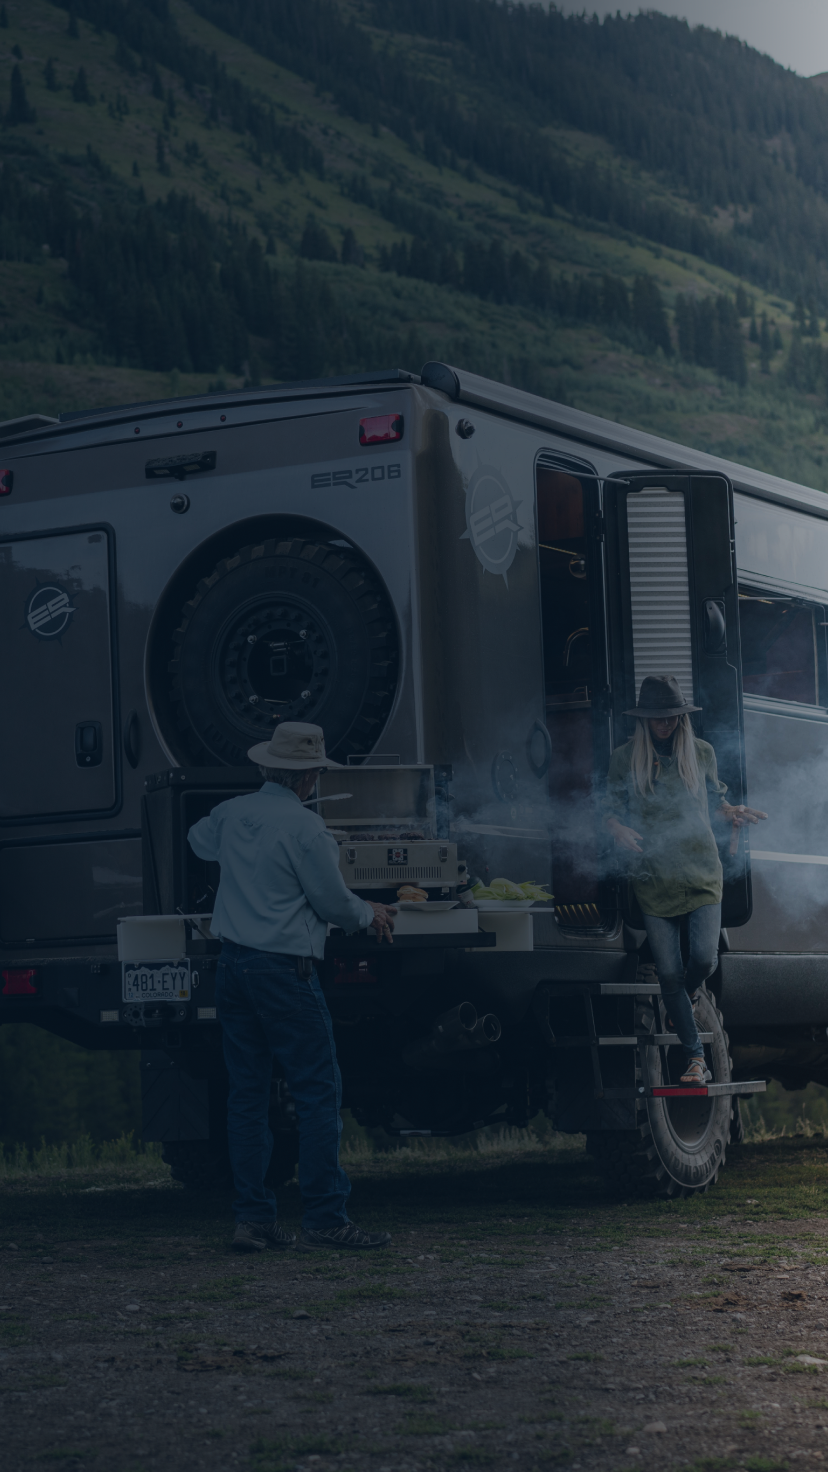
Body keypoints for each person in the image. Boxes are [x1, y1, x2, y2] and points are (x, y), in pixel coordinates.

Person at [187, 721, 398, 1253]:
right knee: (317, 1091)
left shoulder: (233, 812)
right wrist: (368, 912)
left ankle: (254, 1220)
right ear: (309, 779)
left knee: (248, 1096)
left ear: (267, 769)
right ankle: (326, 1218)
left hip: (233, 967)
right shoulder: (308, 830)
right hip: (284, 972)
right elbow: (333, 905)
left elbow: (197, 839)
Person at [603, 675, 767, 1085]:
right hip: (653, 879)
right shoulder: (624, 758)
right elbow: (605, 809)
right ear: (644, 719)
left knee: (703, 960)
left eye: (673, 716)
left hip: (701, 873)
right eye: (659, 717)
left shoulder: (701, 753)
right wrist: (616, 829)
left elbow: (715, 804)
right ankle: (696, 1059)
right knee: (669, 973)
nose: (666, 724)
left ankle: (684, 1000)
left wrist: (733, 813)